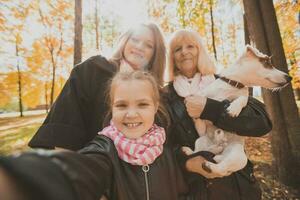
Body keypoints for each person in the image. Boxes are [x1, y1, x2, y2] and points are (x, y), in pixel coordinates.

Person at [0, 71, 191, 200]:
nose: (131, 114)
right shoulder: (104, 149)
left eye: (142, 104)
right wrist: (21, 179)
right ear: (112, 108)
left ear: (155, 107)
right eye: (122, 105)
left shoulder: (165, 147)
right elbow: (81, 169)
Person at [163, 29, 272, 200]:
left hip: (239, 187)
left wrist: (211, 109)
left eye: (190, 46)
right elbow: (164, 146)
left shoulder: (225, 80)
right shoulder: (165, 97)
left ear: (200, 50)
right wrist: (187, 163)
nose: (184, 52)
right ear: (172, 58)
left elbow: (262, 122)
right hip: (197, 191)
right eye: (178, 49)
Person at [29, 22, 166, 150]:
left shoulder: (159, 94)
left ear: (155, 54)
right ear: (125, 42)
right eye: (135, 40)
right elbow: (65, 127)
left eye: (149, 45)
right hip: (91, 165)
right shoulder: (92, 69)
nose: (139, 47)